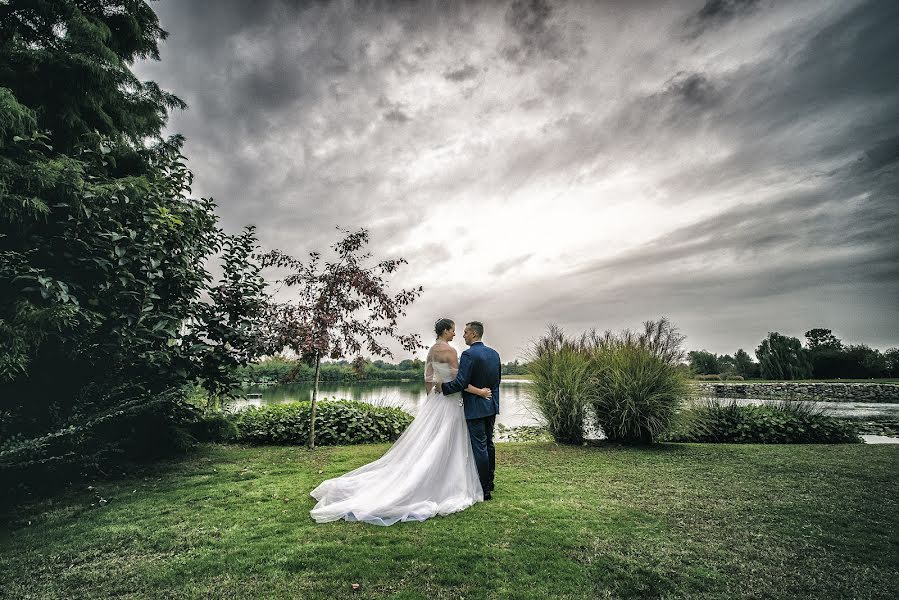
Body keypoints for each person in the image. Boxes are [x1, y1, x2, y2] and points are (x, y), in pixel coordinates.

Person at [309, 318, 492, 525]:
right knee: (448, 440)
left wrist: (430, 401)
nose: (455, 334)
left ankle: (438, 474)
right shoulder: (450, 352)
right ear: (445, 331)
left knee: (434, 439)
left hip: (436, 400)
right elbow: (460, 381)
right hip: (450, 401)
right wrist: (479, 391)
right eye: (453, 331)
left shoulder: (432, 350)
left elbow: (429, 378)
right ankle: (444, 482)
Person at [439, 321, 501, 500]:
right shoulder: (494, 354)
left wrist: (443, 388)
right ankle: (490, 481)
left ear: (474, 334)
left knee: (480, 446)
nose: (463, 335)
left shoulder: (468, 355)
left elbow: (461, 383)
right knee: (489, 443)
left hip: (475, 407)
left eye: (466, 332)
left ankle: (484, 489)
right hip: (491, 405)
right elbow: (497, 381)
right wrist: (491, 399)